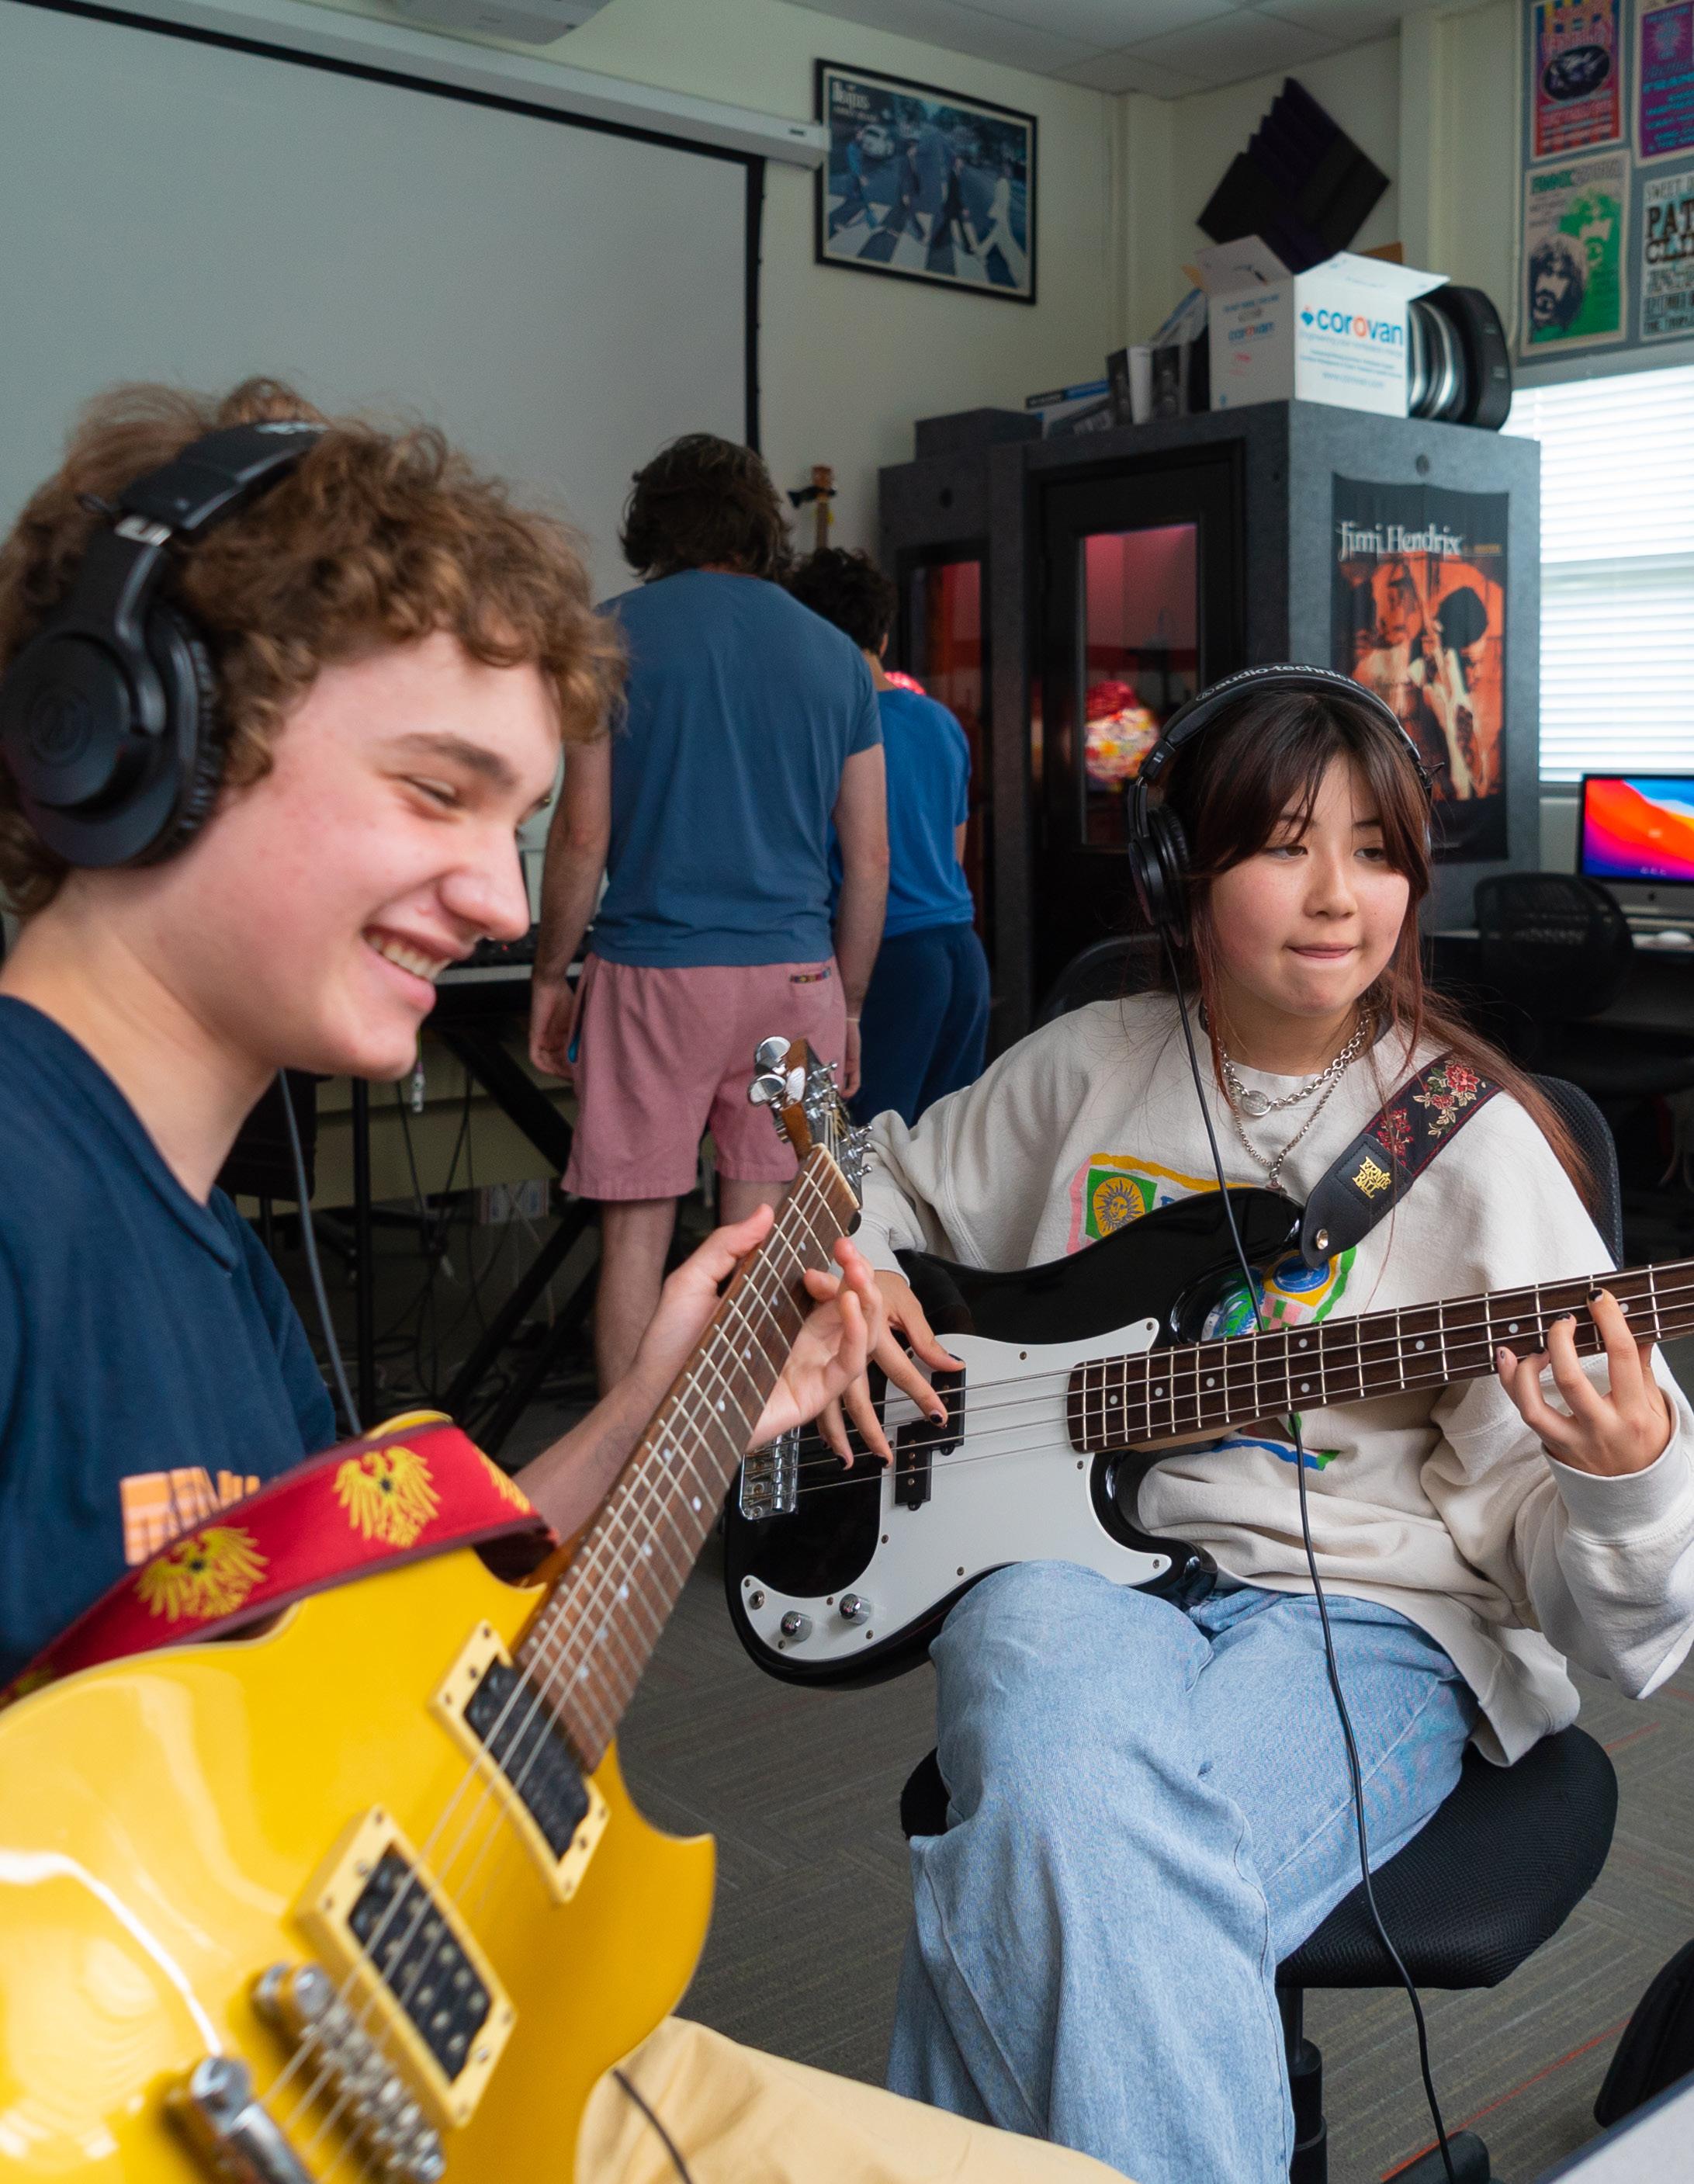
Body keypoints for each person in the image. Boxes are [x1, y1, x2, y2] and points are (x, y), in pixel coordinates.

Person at [0, 379, 1120, 2184]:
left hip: (344, 2048)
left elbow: (357, 1674)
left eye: (515, 822)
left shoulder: (217, 1266)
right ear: (143, 740)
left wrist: (661, 1415)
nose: (507, 903)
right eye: (437, 793)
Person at [840, 671, 1694, 2184]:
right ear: (1177, 868)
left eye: (1374, 851)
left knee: (1056, 1873)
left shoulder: (1469, 1145)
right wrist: (855, 1274)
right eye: (1282, 845)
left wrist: (1622, 1483)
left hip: (1365, 1617)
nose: (1335, 897)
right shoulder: (1086, 1065)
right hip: (1071, 1577)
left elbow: (1619, 1637)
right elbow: (874, 1179)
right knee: (1071, 1811)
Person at [528, 433, 889, 1394]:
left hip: (653, 977)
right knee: (765, 1237)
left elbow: (582, 835)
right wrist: (849, 1002)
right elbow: (869, 859)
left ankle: (628, 1466)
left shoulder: (608, 637)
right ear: (759, 525)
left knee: (635, 1236)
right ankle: (745, 1470)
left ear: (653, 527)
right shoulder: (835, 657)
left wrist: (549, 973)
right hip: (797, 982)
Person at [787, 547, 989, 1126]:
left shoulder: (830, 728)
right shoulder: (940, 721)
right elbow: (954, 854)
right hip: (959, 952)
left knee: (862, 1150)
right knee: (942, 1149)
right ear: (882, 634)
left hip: (885, 958)